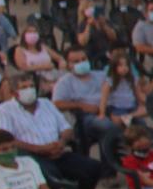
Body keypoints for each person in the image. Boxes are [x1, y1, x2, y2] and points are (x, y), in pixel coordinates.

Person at [0, 73, 108, 189]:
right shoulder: (4, 110)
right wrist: (39, 149)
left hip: (57, 152)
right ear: (14, 93)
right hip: (30, 157)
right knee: (51, 176)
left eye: (31, 86)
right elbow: (5, 139)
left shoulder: (46, 103)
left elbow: (66, 128)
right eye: (24, 87)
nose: (29, 89)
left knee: (92, 168)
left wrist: (61, 143)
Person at [51, 48, 123, 176]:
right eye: (76, 61)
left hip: (109, 109)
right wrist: (81, 105)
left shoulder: (101, 75)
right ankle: (108, 172)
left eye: (84, 59)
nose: (81, 63)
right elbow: (57, 103)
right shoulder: (65, 82)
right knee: (106, 126)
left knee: (137, 121)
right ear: (68, 64)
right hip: (85, 117)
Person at [11, 23, 61, 88]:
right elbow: (23, 67)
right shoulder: (19, 49)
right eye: (30, 32)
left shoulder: (43, 47)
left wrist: (61, 63)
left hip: (52, 74)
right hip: (36, 78)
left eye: (35, 32)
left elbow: (59, 58)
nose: (33, 34)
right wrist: (43, 67)